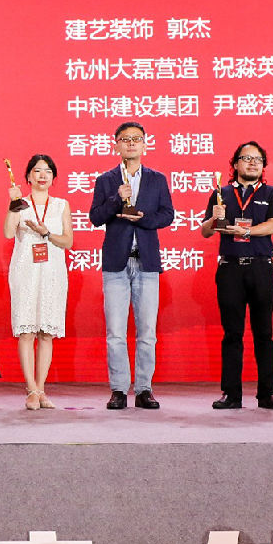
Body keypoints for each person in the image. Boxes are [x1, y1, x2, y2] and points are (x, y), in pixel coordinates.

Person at [89, 120, 176, 410]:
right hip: (116, 263)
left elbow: (168, 215)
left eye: (136, 139)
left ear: (144, 145)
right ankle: (118, 389)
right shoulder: (106, 180)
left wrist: (144, 219)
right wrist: (117, 199)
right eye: (125, 139)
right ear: (116, 145)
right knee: (115, 332)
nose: (130, 143)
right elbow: (95, 217)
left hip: (147, 263)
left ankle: (143, 389)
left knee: (147, 331)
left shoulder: (157, 179)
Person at [200, 140, 273, 410]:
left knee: (264, 333)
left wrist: (246, 231)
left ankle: (267, 393)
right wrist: (214, 218)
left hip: (261, 267)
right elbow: (205, 231)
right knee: (232, 333)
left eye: (258, 159)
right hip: (230, 268)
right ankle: (231, 393)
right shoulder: (221, 193)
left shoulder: (272, 193)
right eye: (247, 158)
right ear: (235, 164)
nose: (252, 163)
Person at [5, 153, 73, 410]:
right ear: (28, 176)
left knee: (46, 334)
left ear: (54, 177)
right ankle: (31, 389)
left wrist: (47, 233)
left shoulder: (61, 205)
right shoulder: (19, 203)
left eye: (48, 171)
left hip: (52, 273)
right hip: (25, 272)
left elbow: (68, 241)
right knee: (26, 332)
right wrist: (13, 204)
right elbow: (8, 232)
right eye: (37, 170)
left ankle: (41, 389)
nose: (42, 175)